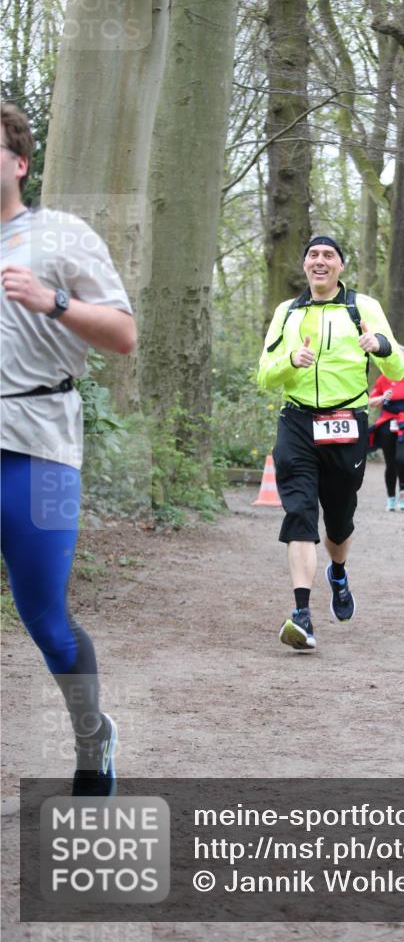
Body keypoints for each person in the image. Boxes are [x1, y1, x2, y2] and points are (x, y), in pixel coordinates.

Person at [1, 103, 137, 794]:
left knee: (46, 617)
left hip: (40, 450)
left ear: (19, 162)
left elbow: (121, 334)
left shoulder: (61, 235)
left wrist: (50, 300)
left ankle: (94, 743)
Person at [258, 235, 404, 651]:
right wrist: (290, 362)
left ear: (341, 266)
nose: (319, 262)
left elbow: (396, 368)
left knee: (338, 523)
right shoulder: (287, 312)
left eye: (328, 256)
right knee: (300, 512)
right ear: (305, 265)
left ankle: (338, 573)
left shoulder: (363, 307)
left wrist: (380, 346)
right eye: (313, 255)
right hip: (298, 422)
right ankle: (302, 614)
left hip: (346, 422)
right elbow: (263, 375)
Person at [369, 349, 404, 511]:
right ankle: (391, 498)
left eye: (401, 358)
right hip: (388, 423)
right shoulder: (383, 378)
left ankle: (402, 491)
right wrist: (382, 398)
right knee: (391, 463)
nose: (398, 361)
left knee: (402, 459)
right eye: (395, 358)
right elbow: (371, 401)